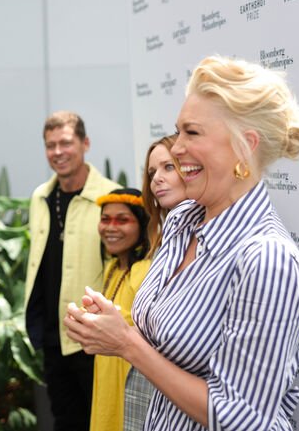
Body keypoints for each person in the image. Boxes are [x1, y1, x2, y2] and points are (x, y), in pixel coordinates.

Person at [64, 55, 299, 431]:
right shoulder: (180, 220)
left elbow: (243, 419)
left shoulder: (266, 259)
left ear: (245, 146)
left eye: (192, 133)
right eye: (178, 131)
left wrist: (127, 344)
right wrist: (109, 325)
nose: (176, 148)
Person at [24, 110, 119, 430]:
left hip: (94, 337)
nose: (58, 152)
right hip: (53, 337)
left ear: (85, 143)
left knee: (102, 422)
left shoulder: (111, 198)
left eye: (66, 143)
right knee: (65, 421)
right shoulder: (41, 196)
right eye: (50, 146)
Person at [122, 135, 188, 431]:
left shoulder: (217, 246)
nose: (157, 179)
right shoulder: (163, 243)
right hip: (146, 393)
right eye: (152, 173)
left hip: (185, 403)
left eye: (168, 168)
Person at [90, 188, 150, 431]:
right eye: (105, 219)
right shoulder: (111, 269)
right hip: (106, 374)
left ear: (142, 225)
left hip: (132, 378)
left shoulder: (146, 270)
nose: (111, 227)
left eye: (122, 220)